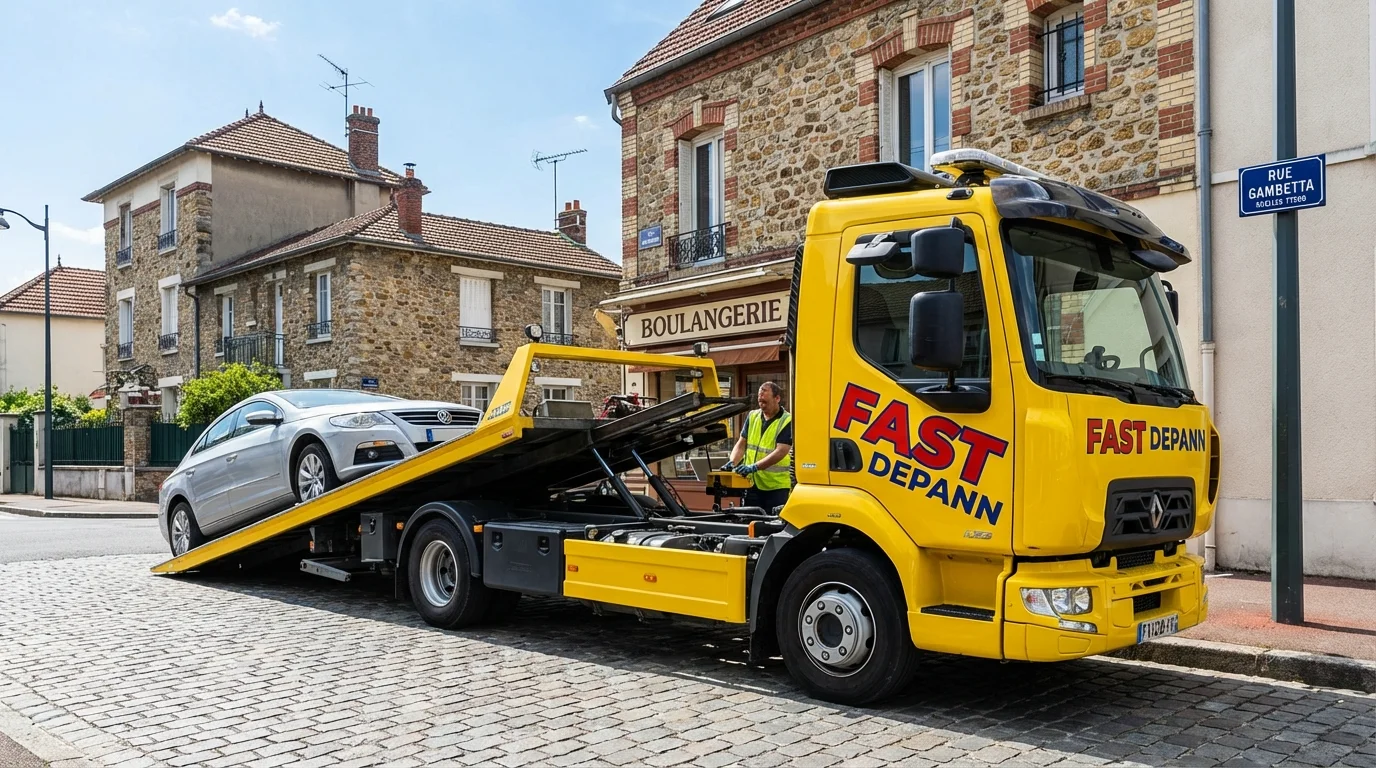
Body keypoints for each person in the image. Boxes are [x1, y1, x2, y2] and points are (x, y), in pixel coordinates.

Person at [721, 382, 793, 513]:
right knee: (750, 522)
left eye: (764, 398)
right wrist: (733, 462)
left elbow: (781, 451)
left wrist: (754, 467)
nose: (761, 402)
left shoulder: (787, 421)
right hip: (752, 483)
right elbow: (741, 444)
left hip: (776, 487)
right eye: (760, 400)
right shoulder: (753, 416)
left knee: (774, 524)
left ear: (777, 398)